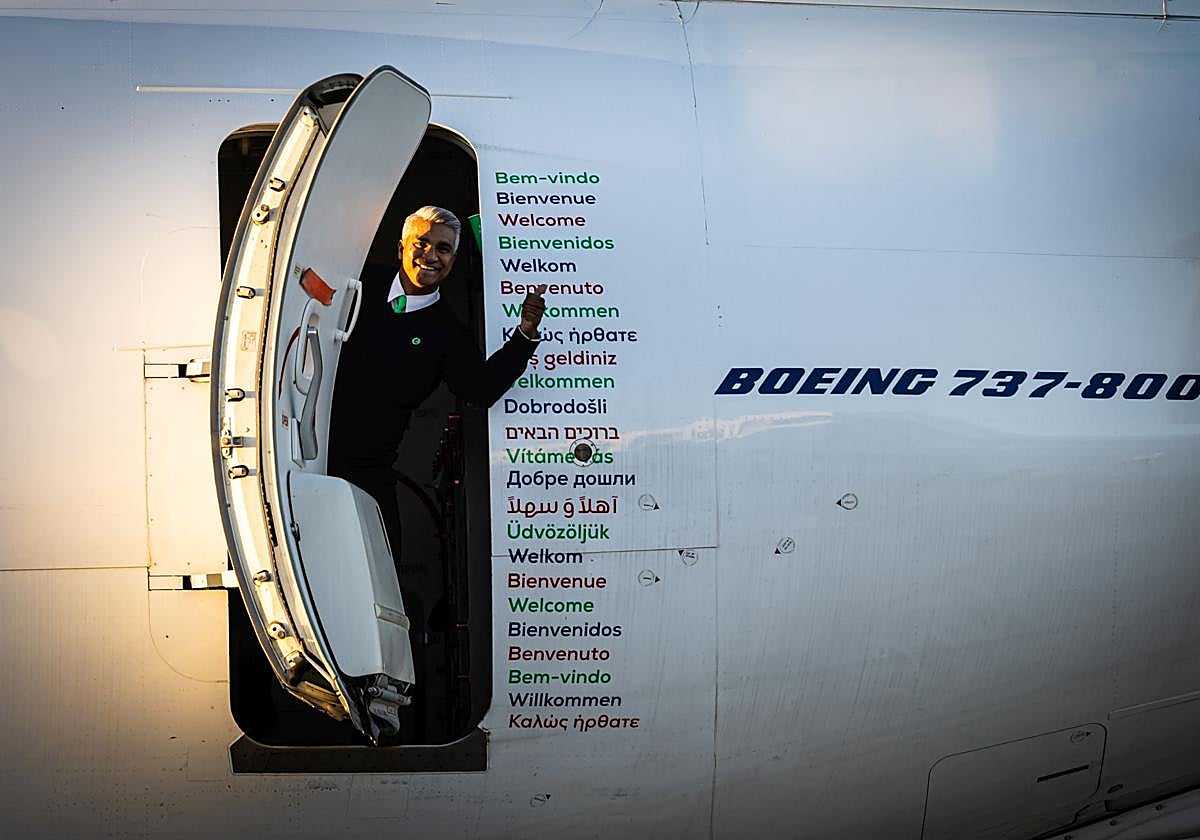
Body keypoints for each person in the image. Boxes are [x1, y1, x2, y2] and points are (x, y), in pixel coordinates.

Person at [328, 205, 545, 553]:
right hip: (304, 453)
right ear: (402, 248)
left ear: (453, 259)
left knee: (380, 564)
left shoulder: (447, 333)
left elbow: (481, 388)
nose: (431, 255)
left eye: (443, 248)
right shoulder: (356, 283)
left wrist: (524, 335)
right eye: (422, 243)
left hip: (367, 469)